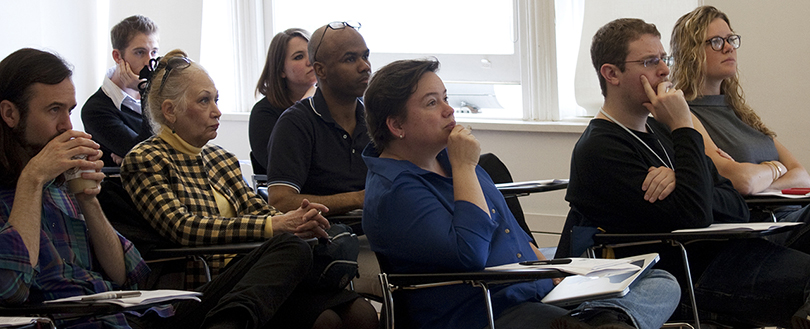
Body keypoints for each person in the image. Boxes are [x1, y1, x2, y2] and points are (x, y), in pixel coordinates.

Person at [362, 58, 680, 329]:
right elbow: (469, 254)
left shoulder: (451, 158)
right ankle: (607, 320)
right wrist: (463, 168)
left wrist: (550, 269)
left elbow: (508, 226)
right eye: (432, 103)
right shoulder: (395, 191)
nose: (449, 110)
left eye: (446, 98)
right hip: (486, 311)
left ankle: (609, 320)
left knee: (661, 282)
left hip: (535, 293)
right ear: (396, 125)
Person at [557, 18, 810, 327]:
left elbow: (735, 205)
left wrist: (683, 178)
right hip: (689, 277)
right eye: (650, 62)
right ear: (611, 74)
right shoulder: (601, 149)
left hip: (731, 256)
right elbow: (694, 215)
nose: (664, 71)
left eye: (665, 59)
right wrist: (683, 126)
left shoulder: (661, 134)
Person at [120, 49, 377, 329]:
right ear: (170, 110)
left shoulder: (221, 158)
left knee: (361, 314)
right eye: (205, 101)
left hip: (258, 274)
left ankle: (234, 321)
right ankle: (230, 321)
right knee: (299, 267)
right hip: (201, 289)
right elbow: (182, 228)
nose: (217, 111)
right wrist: (275, 226)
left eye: (216, 100)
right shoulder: (145, 159)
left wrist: (301, 220)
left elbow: (260, 210)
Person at [670, 5, 810, 252]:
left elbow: (801, 174)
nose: (728, 47)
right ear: (690, 53)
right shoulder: (684, 114)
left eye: (731, 39)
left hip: (792, 215)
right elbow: (742, 181)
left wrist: (765, 178)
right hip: (761, 228)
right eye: (715, 41)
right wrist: (775, 169)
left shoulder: (739, 111)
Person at [265, 21, 370, 214]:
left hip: (378, 229)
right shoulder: (296, 123)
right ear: (320, 70)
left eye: (365, 56)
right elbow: (280, 202)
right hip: (325, 234)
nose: (365, 66)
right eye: (350, 59)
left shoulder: (375, 119)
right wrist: (356, 199)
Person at [82, 15, 158, 167]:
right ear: (117, 56)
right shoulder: (96, 110)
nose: (149, 62)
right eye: (140, 52)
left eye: (154, 52)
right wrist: (145, 90)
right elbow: (144, 156)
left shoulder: (157, 95)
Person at [249, 28, 317, 175]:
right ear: (281, 70)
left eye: (312, 53)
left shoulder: (334, 104)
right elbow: (278, 164)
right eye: (299, 57)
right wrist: (305, 103)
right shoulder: (263, 113)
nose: (309, 61)